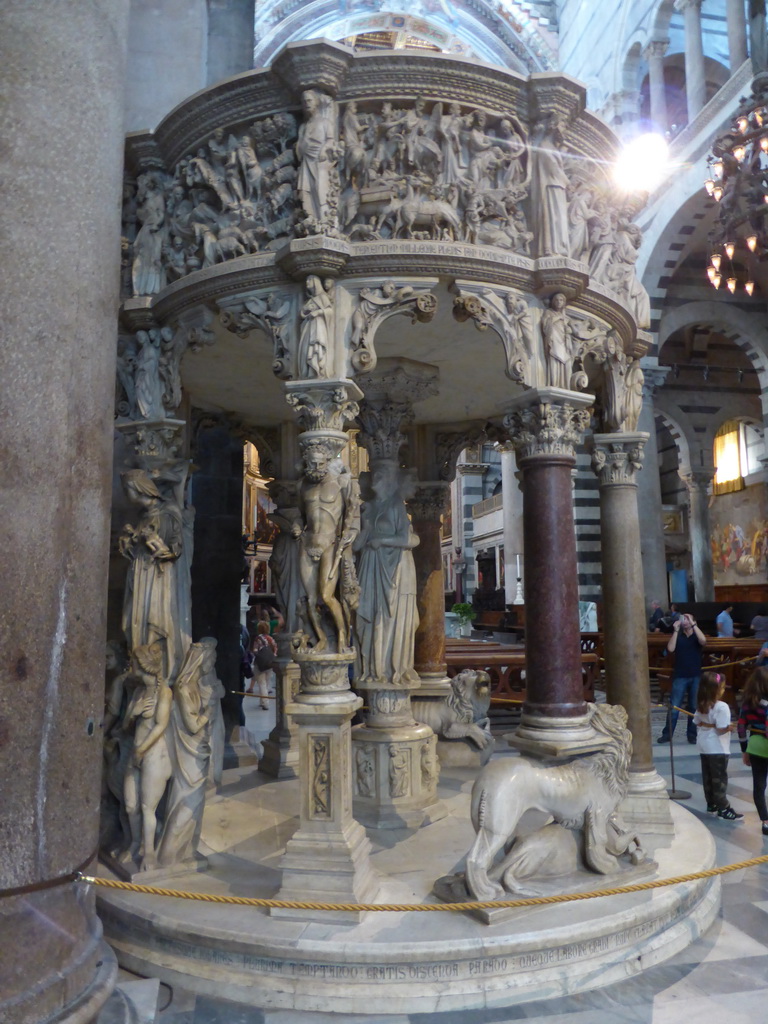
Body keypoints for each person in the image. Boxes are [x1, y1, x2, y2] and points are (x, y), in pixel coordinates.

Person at [692, 671, 742, 820]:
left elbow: (696, 721)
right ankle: (724, 808)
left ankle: (711, 804)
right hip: (717, 747)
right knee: (719, 778)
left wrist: (708, 724)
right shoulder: (722, 706)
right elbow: (721, 728)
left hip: (704, 745)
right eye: (722, 687)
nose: (724, 690)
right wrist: (729, 727)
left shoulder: (701, 704)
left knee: (707, 777)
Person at [657, 612, 706, 744]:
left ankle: (692, 734)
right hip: (680, 675)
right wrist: (676, 630)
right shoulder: (678, 636)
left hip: (695, 675)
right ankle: (667, 734)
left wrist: (693, 624)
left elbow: (703, 641)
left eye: (687, 618)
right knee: (674, 706)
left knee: (693, 706)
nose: (685, 620)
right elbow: (670, 648)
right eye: (683, 618)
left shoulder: (697, 635)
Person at [737, 666, 768, 836]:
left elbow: (741, 727)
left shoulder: (748, 702)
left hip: (755, 745)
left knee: (759, 785)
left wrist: (744, 750)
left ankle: (765, 821)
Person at [250, 621, 277, 710]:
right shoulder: (270, 639)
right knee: (267, 682)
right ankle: (262, 701)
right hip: (269, 664)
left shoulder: (258, 639)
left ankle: (265, 703)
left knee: (262, 684)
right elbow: (275, 649)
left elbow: (254, 650)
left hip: (260, 664)